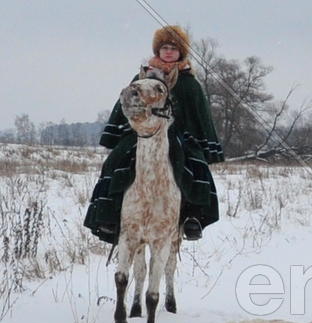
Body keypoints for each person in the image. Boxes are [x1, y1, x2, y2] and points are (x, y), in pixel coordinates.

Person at [84, 25, 223, 244]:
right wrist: (122, 131)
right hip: (141, 133)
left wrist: (202, 143)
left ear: (181, 52)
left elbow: (200, 116)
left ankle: (193, 217)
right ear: (158, 50)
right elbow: (125, 105)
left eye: (173, 48)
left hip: (179, 136)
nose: (168, 52)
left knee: (196, 165)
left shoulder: (189, 83)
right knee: (114, 161)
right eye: (165, 47)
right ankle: (108, 216)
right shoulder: (141, 77)